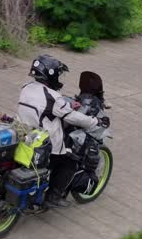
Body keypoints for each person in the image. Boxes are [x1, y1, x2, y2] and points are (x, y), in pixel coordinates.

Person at [16, 54, 99, 206]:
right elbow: (73, 118)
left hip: (24, 134)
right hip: (44, 143)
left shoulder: (26, 87)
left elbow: (47, 107)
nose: (60, 79)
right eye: (59, 75)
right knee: (69, 162)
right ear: (51, 75)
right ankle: (53, 196)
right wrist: (94, 121)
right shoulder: (53, 96)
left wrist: (66, 106)